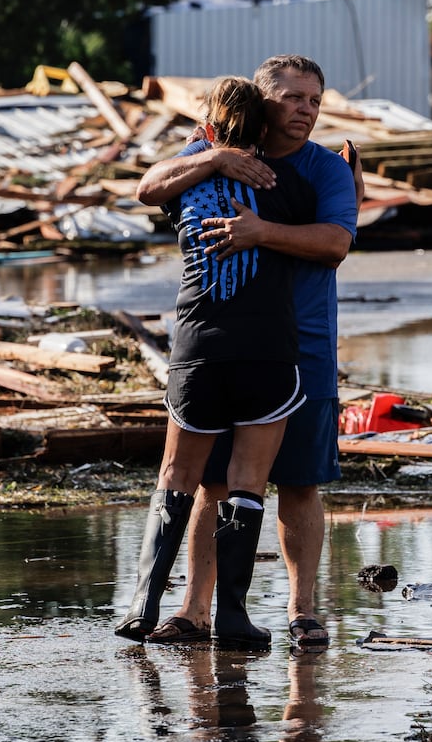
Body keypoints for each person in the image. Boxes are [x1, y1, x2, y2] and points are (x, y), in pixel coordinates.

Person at [134, 54, 360, 651]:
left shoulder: (324, 171)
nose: (305, 110)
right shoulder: (212, 153)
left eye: (314, 100)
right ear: (262, 102)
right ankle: (194, 610)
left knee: (301, 481)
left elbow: (336, 243)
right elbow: (149, 186)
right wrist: (212, 156)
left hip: (304, 344)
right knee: (212, 482)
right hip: (225, 344)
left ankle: (302, 608)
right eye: (291, 98)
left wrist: (263, 233)